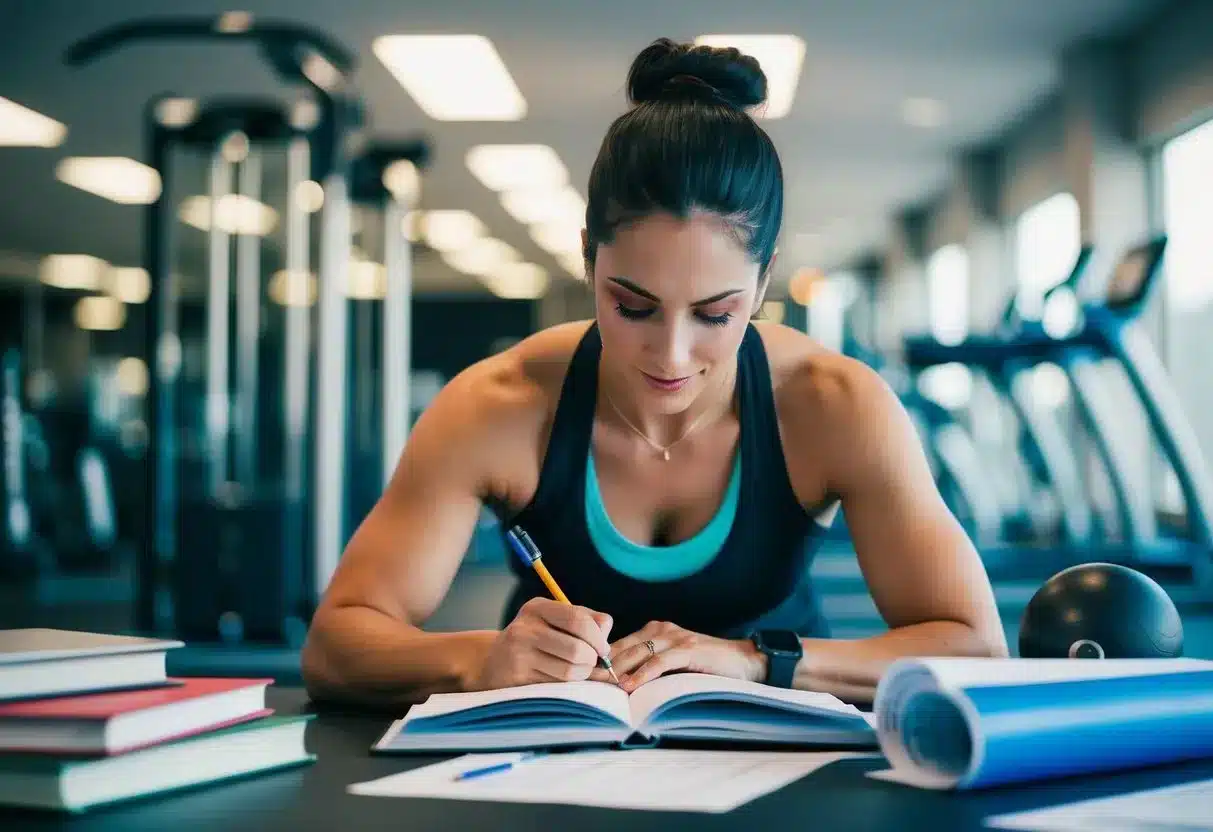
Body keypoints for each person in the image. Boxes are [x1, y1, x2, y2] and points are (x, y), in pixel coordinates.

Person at [302, 38, 1007, 709]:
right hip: (549, 758)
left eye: (714, 313)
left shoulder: (834, 405)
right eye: (632, 306)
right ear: (588, 259)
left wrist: (759, 662)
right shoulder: (499, 404)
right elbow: (336, 645)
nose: (670, 355)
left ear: (762, 283)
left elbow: (973, 647)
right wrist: (475, 660)